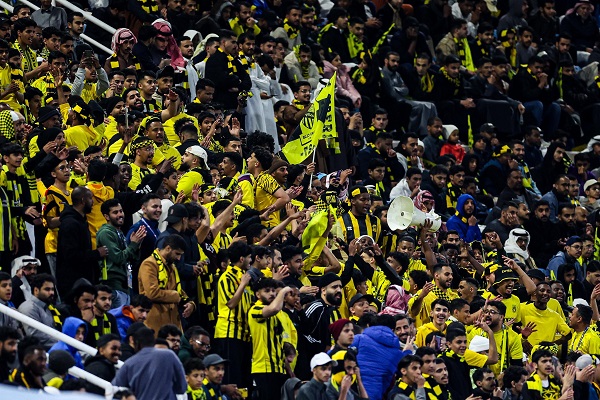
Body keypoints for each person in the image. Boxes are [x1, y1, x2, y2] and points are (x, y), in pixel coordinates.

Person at [56, 186, 108, 296]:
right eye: (90, 198)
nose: (92, 202)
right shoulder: (70, 224)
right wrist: (97, 254)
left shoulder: (81, 220)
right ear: (83, 201)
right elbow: (71, 255)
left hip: (82, 280)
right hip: (72, 284)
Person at [138, 234, 195, 333]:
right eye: (177, 254)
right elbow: (152, 293)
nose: (179, 258)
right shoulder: (149, 264)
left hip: (173, 324)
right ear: (168, 248)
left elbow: (178, 290)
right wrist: (175, 296)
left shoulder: (172, 266)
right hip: (155, 324)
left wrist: (190, 303)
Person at [113, 327, 187, 400]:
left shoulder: (129, 363)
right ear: (153, 341)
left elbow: (114, 388)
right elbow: (182, 387)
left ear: (137, 344)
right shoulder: (169, 355)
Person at [248, 278, 293, 399]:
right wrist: (283, 291)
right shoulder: (255, 310)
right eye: (267, 291)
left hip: (278, 368)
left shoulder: (276, 316)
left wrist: (289, 371)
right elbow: (274, 308)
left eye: (273, 290)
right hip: (263, 369)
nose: (272, 294)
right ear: (258, 294)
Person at [17, 273, 61, 349]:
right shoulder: (29, 308)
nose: (52, 293)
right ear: (36, 290)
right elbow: (35, 336)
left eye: (52, 289)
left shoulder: (48, 307)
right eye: (47, 289)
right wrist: (62, 343)